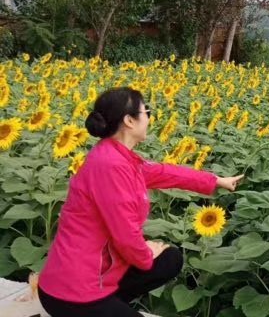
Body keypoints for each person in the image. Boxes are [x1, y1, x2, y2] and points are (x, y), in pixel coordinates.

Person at [36, 87, 244, 317]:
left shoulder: (120, 157)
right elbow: (125, 237)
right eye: (147, 111)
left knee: (169, 259)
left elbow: (164, 172)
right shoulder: (110, 166)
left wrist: (215, 180)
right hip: (73, 292)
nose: (149, 118)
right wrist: (146, 253)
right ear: (129, 121)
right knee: (153, 258)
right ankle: (100, 308)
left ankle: (112, 303)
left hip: (100, 274)